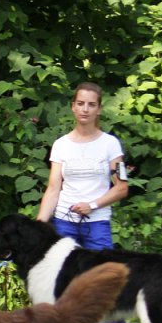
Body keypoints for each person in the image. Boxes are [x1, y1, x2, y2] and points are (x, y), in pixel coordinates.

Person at [36, 82, 128, 250]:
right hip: (64, 223)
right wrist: (39, 225)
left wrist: (92, 205)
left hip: (97, 223)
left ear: (99, 109)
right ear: (73, 107)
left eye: (91, 105)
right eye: (80, 103)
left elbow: (121, 188)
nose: (85, 109)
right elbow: (53, 188)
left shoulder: (111, 144)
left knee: (101, 274)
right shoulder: (60, 144)